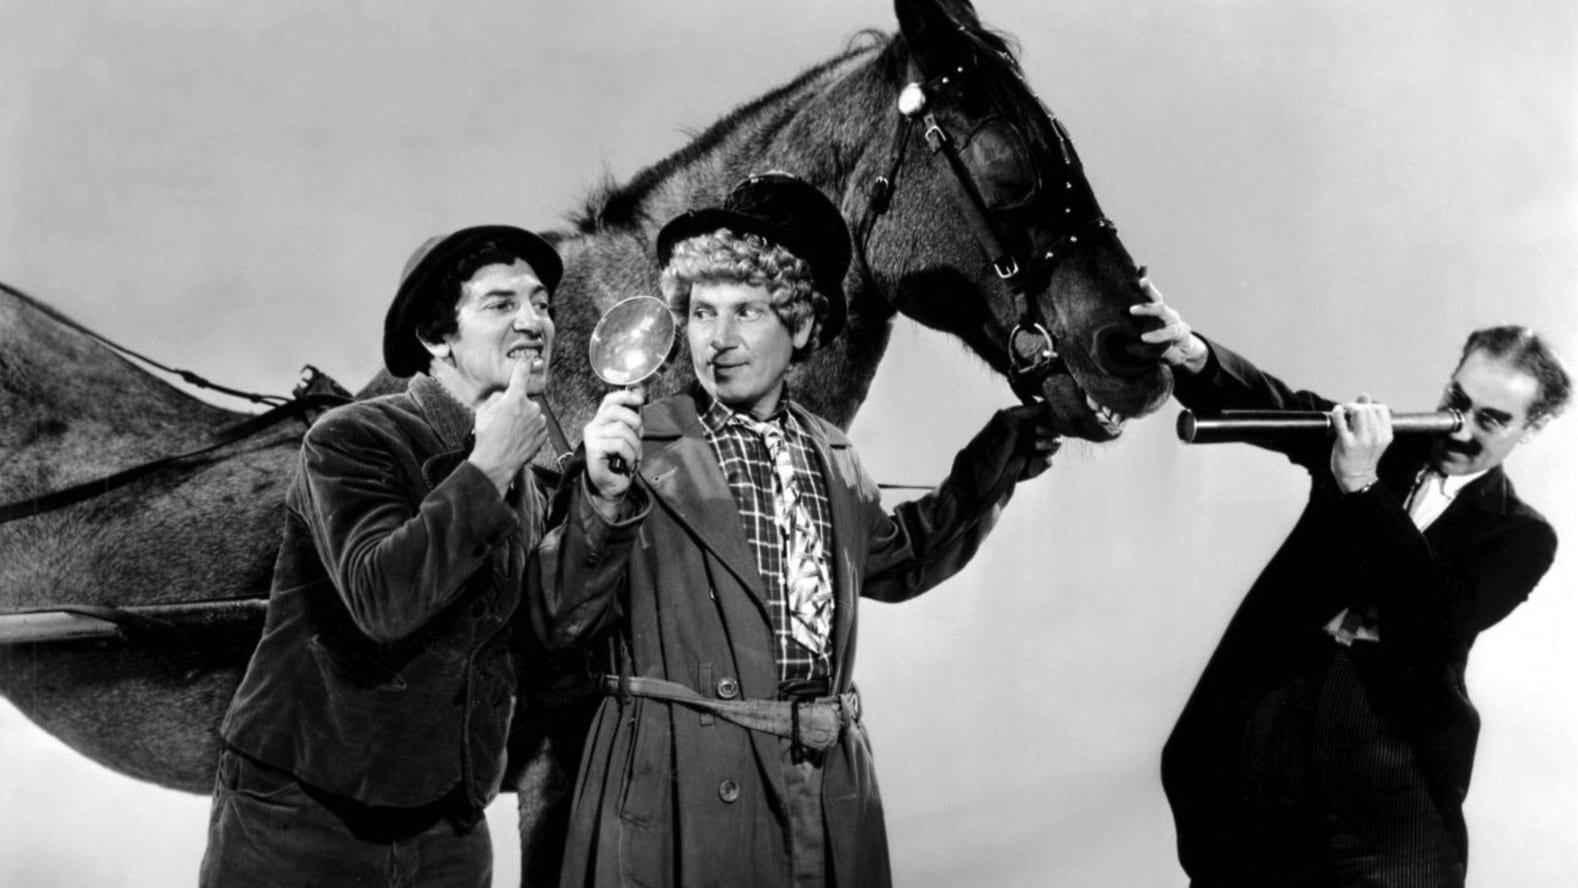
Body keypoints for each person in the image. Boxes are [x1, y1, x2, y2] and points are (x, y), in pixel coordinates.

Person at [531, 171, 1062, 887]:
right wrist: (600, 495)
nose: (717, 339)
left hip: (819, 789)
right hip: (678, 789)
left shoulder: (831, 453)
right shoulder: (633, 448)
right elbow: (559, 621)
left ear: (802, 324)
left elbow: (899, 560)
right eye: (702, 311)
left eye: (747, 311)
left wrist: (1000, 457)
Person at [1137, 282, 1570, 887]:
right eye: (1456, 401)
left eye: (1491, 420)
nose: (1459, 428)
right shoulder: (1384, 447)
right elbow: (1281, 408)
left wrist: (1362, 486)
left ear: (1532, 428)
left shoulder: (1523, 536)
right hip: (1275, 706)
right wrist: (1194, 356)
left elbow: (1435, 622)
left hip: (1389, 746)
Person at [200, 225, 564, 887]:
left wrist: (606, 504)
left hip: (447, 827)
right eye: (501, 304)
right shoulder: (351, 438)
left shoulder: (527, 483)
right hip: (303, 818)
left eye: (541, 304)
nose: (533, 321)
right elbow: (383, 600)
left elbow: (547, 625)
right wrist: (488, 467)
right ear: (435, 336)